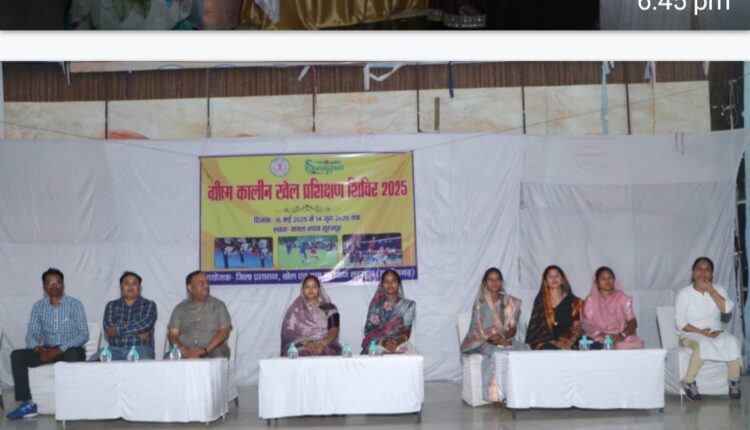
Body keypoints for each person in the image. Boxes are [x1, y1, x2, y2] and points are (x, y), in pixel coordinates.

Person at [7, 268, 89, 420]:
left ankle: (73, 402)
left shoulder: (75, 304)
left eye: (58, 282)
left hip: (70, 349)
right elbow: (31, 334)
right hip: (46, 351)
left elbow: (84, 334)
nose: (54, 285)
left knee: (73, 354)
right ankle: (27, 404)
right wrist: (38, 350)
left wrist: (60, 349)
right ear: (44, 286)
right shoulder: (38, 306)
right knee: (17, 355)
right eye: (50, 283)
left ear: (63, 285)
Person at [675, 257, 742, 401]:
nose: (703, 273)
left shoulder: (719, 289)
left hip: (716, 332)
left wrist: (711, 290)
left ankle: (734, 381)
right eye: (699, 269)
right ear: (693, 273)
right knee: (703, 344)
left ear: (712, 274)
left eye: (707, 270)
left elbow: (727, 308)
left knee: (733, 342)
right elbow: (681, 323)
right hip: (690, 333)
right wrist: (701, 332)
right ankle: (688, 381)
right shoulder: (684, 293)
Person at [460, 267, 523, 403]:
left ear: (501, 282)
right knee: (496, 353)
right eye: (491, 280)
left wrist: (503, 338)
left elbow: (513, 328)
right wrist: (495, 339)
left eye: (497, 279)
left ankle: (516, 392)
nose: (494, 282)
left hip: (506, 339)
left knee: (523, 350)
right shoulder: (480, 303)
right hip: (483, 341)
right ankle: (495, 395)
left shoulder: (511, 302)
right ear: (485, 283)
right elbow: (477, 329)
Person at [90, 271, 158, 360]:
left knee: (145, 365)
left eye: (134, 283)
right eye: (126, 283)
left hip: (141, 349)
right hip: (115, 349)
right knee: (92, 361)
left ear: (139, 287)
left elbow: (145, 324)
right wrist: (137, 333)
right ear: (121, 287)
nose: (130, 286)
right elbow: (108, 329)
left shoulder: (149, 304)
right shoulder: (111, 305)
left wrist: (117, 329)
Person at [167, 270, 232, 359]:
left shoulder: (218, 305)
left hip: (212, 350)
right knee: (168, 358)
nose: (206, 286)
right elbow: (173, 335)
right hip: (184, 351)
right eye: (200, 283)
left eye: (207, 282)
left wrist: (205, 350)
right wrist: (184, 351)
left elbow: (224, 332)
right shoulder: (179, 309)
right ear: (190, 288)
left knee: (219, 356)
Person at [582, 267, 644, 349]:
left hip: (621, 336)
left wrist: (621, 335)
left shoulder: (622, 298)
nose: (607, 281)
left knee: (630, 345)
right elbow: (586, 324)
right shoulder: (591, 300)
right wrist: (605, 335)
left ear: (614, 280)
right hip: (600, 337)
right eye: (603, 278)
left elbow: (632, 322)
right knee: (593, 344)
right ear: (597, 283)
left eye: (610, 278)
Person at [281, 275, 342, 356]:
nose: (311, 290)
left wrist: (322, 344)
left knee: (326, 352)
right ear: (302, 290)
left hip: (326, 343)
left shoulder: (329, 308)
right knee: (297, 352)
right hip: (302, 345)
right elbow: (290, 335)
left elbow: (334, 330)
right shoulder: (294, 310)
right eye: (307, 287)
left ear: (319, 289)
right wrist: (306, 343)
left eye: (314, 287)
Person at [525, 265, 583, 350]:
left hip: (570, 338)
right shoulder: (540, 301)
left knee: (594, 346)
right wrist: (557, 343)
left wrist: (570, 342)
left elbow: (577, 325)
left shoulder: (573, 301)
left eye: (556, 276)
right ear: (546, 282)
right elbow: (538, 330)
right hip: (547, 340)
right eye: (550, 276)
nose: (554, 279)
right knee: (548, 348)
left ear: (562, 280)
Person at [361, 270, 417, 354]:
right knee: (374, 354)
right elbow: (370, 332)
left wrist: (397, 342)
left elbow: (407, 331)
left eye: (393, 281)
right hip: (379, 342)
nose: (390, 284)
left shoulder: (408, 305)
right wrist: (383, 342)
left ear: (398, 284)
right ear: (382, 285)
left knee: (410, 356)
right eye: (386, 281)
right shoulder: (376, 305)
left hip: (400, 342)